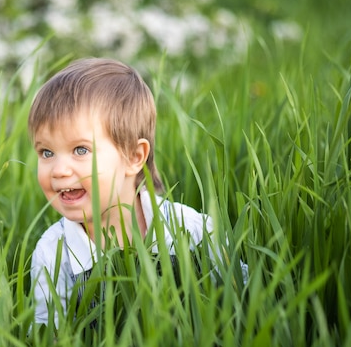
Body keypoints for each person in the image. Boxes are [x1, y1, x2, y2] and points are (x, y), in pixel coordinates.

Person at [28, 57, 248, 326]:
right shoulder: (53, 254)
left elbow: (243, 299)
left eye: (81, 150)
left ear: (134, 156)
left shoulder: (190, 231)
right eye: (46, 152)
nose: (59, 170)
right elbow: (48, 338)